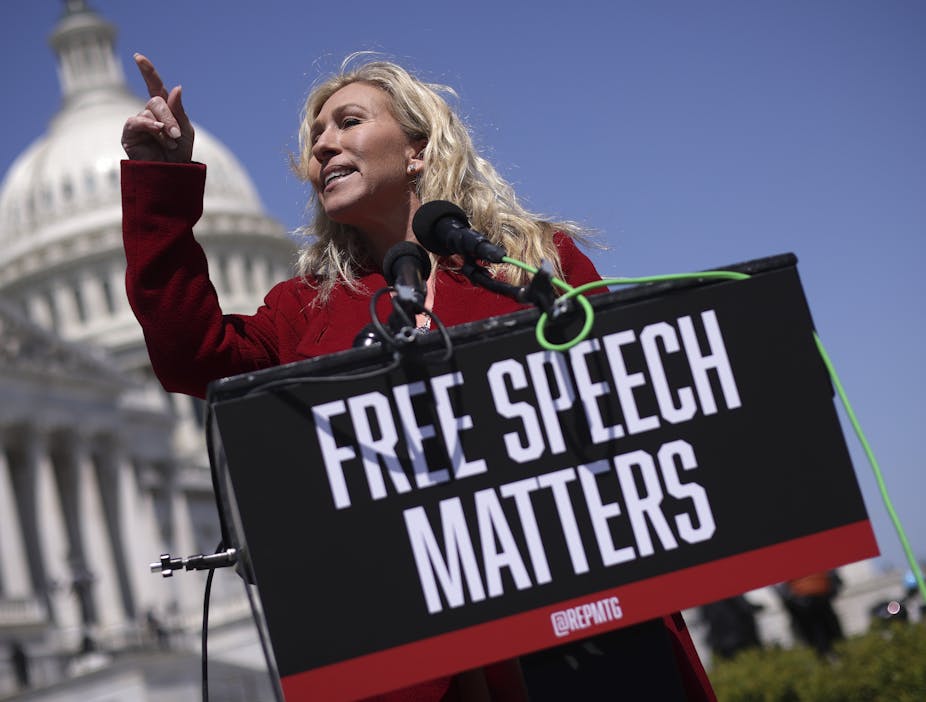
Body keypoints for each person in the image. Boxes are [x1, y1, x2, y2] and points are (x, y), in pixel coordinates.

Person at [121, 53, 715, 701]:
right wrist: (161, 181)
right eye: (315, 135)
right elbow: (189, 354)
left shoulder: (534, 262)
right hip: (415, 665)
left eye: (347, 122)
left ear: (416, 150)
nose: (322, 144)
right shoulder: (303, 310)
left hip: (585, 638)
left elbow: (634, 401)